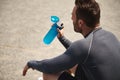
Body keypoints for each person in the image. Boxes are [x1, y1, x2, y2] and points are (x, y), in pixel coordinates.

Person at [22, 0, 120, 80]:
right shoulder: (111, 36)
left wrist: (31, 63)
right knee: (71, 63)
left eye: (73, 16)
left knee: (49, 74)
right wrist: (62, 38)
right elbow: (80, 52)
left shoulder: (84, 46)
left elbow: (50, 66)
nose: (71, 18)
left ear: (80, 23)